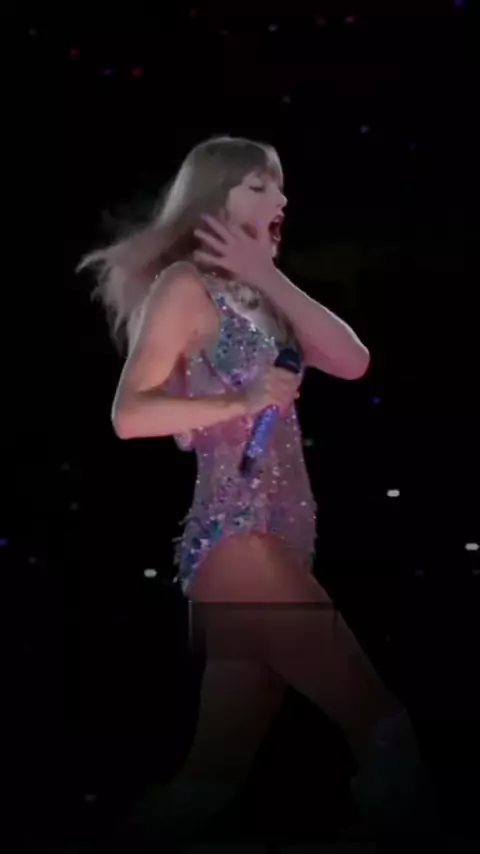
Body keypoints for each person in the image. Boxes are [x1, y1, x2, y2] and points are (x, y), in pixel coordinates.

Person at [77, 135, 438, 841]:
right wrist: (240, 401)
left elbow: (353, 361)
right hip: (235, 540)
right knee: (383, 728)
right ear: (216, 198)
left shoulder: (264, 299)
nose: (281, 198)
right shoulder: (184, 288)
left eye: (280, 186)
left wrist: (266, 276)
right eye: (260, 185)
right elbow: (129, 416)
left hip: (284, 538)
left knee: (210, 781)